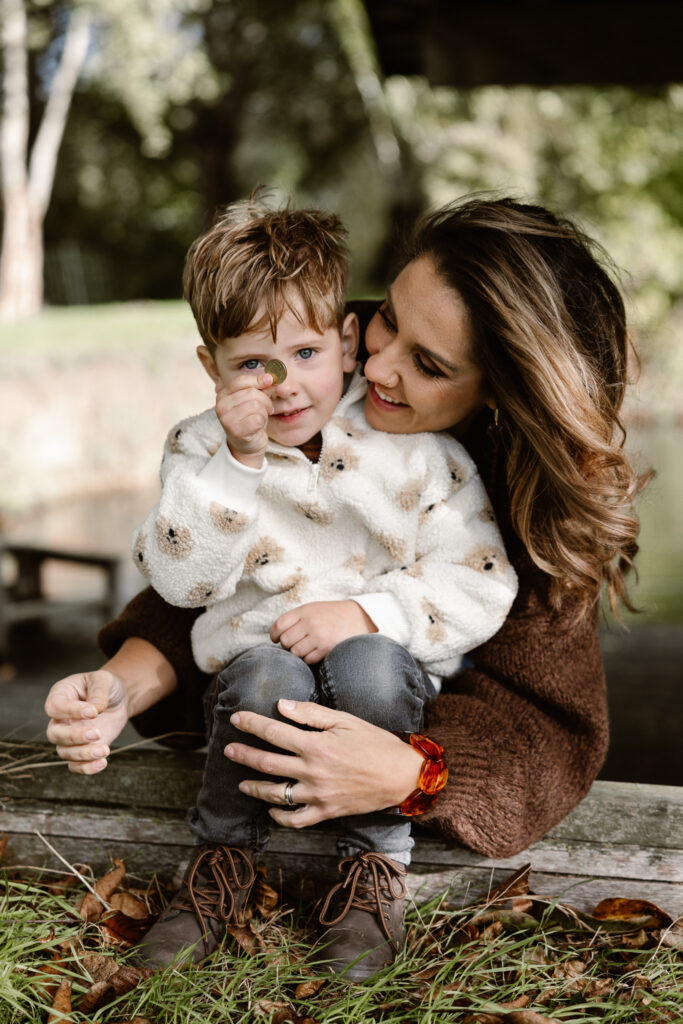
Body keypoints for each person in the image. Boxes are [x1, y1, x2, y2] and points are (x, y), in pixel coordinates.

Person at [44, 195, 648, 975]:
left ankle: (371, 881)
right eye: (388, 318)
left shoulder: (503, 493)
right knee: (257, 662)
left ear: (503, 390)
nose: (381, 363)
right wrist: (117, 688)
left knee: (368, 662)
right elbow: (211, 582)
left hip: (393, 696)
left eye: (429, 365)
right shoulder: (312, 360)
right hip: (262, 701)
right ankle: (217, 869)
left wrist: (414, 770)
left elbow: (551, 725)